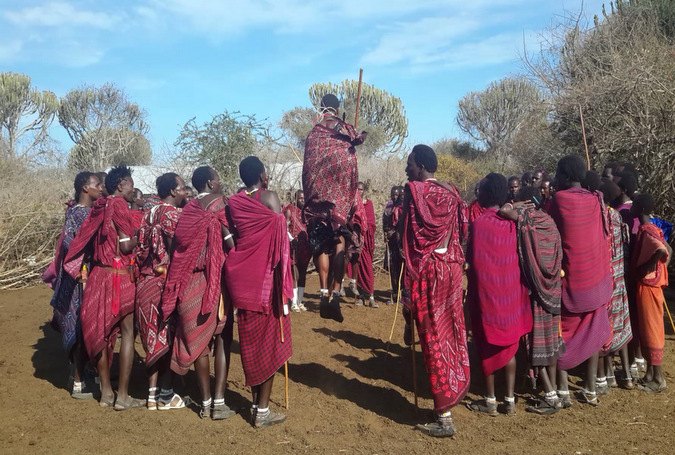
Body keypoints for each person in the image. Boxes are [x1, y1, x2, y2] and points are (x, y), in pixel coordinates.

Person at [400, 144, 470, 438]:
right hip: (452, 269)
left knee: (432, 336)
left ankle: (443, 415)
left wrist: (407, 288)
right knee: (452, 330)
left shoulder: (414, 193)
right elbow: (463, 230)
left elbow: (409, 239)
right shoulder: (452, 192)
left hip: (429, 272)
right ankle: (453, 389)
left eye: (410, 164)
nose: (407, 170)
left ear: (422, 167)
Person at [160, 166, 236, 420]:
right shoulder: (220, 205)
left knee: (198, 344)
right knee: (223, 337)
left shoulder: (189, 209)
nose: (221, 182)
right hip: (215, 281)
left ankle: (204, 403)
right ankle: (219, 402)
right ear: (210, 183)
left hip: (188, 281)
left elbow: (179, 244)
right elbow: (231, 241)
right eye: (218, 178)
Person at [63, 166, 142, 410]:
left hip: (98, 276)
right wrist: (141, 235)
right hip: (118, 277)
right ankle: (124, 396)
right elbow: (127, 246)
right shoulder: (119, 206)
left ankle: (106, 392)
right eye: (130, 185)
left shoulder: (98, 207)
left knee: (99, 331)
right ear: (122, 184)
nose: (132, 190)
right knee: (127, 333)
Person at [224, 156, 293, 428]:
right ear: (263, 175)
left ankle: (256, 405)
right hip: (266, 281)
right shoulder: (270, 197)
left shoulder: (235, 201)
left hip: (242, 278)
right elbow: (280, 242)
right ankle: (262, 411)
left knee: (251, 344)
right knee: (272, 343)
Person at [548, 155, 613, 406]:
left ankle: (563, 389)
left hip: (571, 280)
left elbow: (551, 231)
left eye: (557, 174)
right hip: (596, 278)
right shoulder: (596, 198)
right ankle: (590, 387)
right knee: (594, 331)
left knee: (564, 331)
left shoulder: (559, 200)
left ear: (565, 176)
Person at [467, 173, 532, 417]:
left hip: (487, 295)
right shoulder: (513, 222)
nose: (478, 194)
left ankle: (490, 400)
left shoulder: (480, 224)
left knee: (487, 348)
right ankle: (511, 401)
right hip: (511, 295)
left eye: (480, 190)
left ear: (487, 194)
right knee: (510, 348)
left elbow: (474, 262)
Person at [498, 185, 565, 414]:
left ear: (521, 201)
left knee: (535, 346)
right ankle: (555, 390)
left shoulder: (525, 218)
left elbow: (504, 211)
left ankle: (551, 396)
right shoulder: (549, 221)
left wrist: (516, 205)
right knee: (551, 344)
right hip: (554, 291)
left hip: (536, 293)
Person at [302, 93, 367, 323]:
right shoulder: (343, 127)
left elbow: (307, 168)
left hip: (319, 195)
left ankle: (322, 293)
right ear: (337, 108)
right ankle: (336, 295)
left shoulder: (314, 133)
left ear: (322, 107)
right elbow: (357, 141)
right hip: (340, 196)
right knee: (339, 242)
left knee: (320, 240)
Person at [45, 171, 102, 399]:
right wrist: (83, 269)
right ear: (85, 188)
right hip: (80, 278)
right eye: (97, 184)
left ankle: (82, 374)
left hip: (79, 276)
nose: (100, 187)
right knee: (79, 327)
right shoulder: (81, 214)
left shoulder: (82, 212)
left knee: (82, 325)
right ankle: (78, 381)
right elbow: (71, 244)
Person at [134, 173, 187, 410]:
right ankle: (165, 396)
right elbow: (181, 248)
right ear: (173, 192)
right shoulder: (173, 215)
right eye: (183, 188)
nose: (186, 192)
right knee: (168, 338)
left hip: (144, 283)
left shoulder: (148, 214)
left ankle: (152, 396)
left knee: (153, 340)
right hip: (163, 283)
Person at [631, 193, 671, 393]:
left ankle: (658, 378)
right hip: (650, 284)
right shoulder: (652, 228)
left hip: (649, 286)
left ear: (641, 209)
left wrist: (647, 267)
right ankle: (649, 373)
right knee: (647, 330)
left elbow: (662, 250)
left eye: (635, 204)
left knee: (652, 330)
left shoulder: (647, 230)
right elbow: (668, 251)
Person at [598, 181, 634, 390]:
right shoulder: (617, 217)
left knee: (608, 327)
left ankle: (609, 374)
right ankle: (627, 375)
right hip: (620, 278)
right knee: (622, 327)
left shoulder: (602, 217)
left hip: (608, 279)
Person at [350, 181, 377, 307]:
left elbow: (371, 223)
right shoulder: (352, 205)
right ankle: (360, 296)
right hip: (355, 242)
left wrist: (364, 227)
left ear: (364, 191)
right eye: (357, 189)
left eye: (361, 190)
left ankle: (371, 296)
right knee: (356, 268)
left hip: (365, 242)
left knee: (367, 268)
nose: (359, 192)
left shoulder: (368, 204)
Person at [283, 190, 310, 312]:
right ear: (295, 199)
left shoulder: (307, 212)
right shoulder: (289, 210)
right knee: (295, 273)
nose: (302, 200)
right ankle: (293, 302)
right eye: (300, 198)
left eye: (304, 198)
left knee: (303, 273)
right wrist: (291, 239)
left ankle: (300, 301)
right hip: (293, 246)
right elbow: (284, 227)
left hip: (305, 247)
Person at [382, 185, 404, 304]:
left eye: (397, 194)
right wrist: (386, 232)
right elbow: (384, 221)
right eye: (393, 194)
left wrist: (395, 233)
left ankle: (403, 294)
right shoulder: (389, 207)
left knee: (403, 269)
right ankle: (395, 294)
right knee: (392, 268)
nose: (395, 196)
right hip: (391, 243)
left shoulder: (404, 207)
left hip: (402, 243)